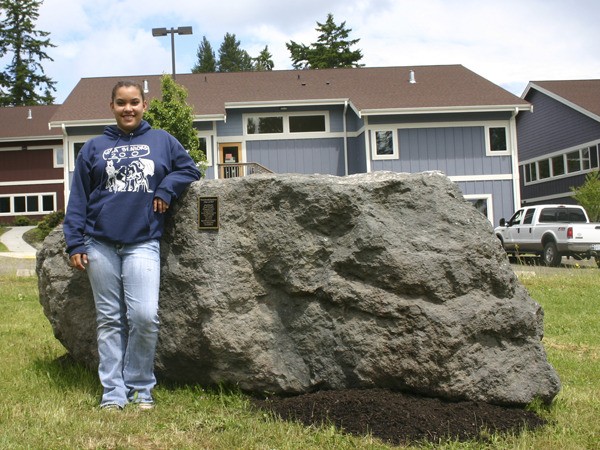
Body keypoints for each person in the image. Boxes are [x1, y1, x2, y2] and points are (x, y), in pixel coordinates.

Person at [63, 80, 201, 410]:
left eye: (134, 102)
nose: (128, 108)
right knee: (110, 320)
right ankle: (113, 393)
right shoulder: (93, 148)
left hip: (143, 243)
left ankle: (140, 386)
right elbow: (79, 198)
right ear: (111, 107)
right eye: (121, 103)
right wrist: (74, 243)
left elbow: (189, 169)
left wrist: (166, 188)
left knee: (144, 315)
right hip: (100, 245)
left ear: (144, 105)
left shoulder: (163, 141)